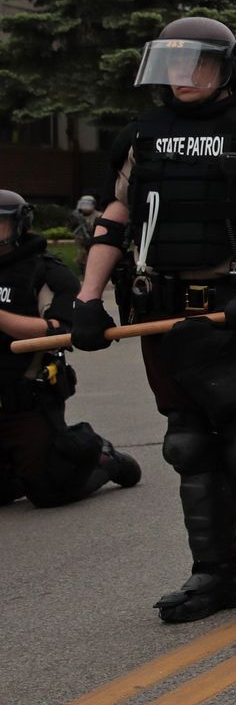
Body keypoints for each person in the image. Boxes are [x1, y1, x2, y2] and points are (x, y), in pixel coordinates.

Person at [69, 16, 236, 626]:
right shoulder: (142, 135)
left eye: (196, 64)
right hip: (161, 309)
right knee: (189, 444)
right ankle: (216, 572)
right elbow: (115, 221)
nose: (183, 77)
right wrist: (88, 299)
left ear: (227, 68)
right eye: (173, 65)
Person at [0, 189, 140, 508]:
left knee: (49, 491)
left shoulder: (45, 271)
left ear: (19, 225)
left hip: (26, 398)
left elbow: (60, 330)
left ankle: (100, 456)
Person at [68, 194, 99, 276]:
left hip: (93, 239)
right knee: (81, 256)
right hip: (81, 241)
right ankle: (83, 270)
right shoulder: (77, 215)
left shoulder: (98, 215)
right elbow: (71, 226)